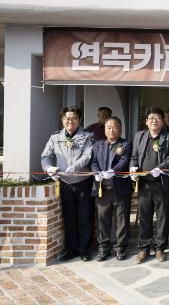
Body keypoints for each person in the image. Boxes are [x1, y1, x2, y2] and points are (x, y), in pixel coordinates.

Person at [41, 106, 95, 262]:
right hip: (64, 183)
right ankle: (71, 248)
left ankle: (84, 249)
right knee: (69, 217)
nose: (70, 121)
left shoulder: (87, 136)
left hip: (83, 181)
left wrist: (75, 166)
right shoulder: (55, 137)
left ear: (79, 120)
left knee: (85, 216)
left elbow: (87, 156)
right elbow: (46, 156)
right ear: (62, 120)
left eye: (74, 118)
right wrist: (48, 167)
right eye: (67, 118)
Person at [130, 107, 169, 264]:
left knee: (162, 217)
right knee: (144, 217)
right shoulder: (139, 136)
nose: (154, 121)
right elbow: (134, 156)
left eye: (157, 118)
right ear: (146, 121)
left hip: (162, 183)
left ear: (162, 121)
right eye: (151, 118)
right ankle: (144, 248)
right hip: (144, 183)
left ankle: (160, 248)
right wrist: (133, 167)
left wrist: (161, 168)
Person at [90, 116, 132, 261]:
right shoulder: (98, 144)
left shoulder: (126, 144)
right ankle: (103, 248)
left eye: (114, 127)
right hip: (102, 188)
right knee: (102, 219)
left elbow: (124, 161)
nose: (111, 130)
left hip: (120, 187)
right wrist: (96, 172)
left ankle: (120, 248)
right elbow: (93, 162)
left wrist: (113, 171)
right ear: (104, 130)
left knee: (122, 220)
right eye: (108, 127)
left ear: (120, 129)